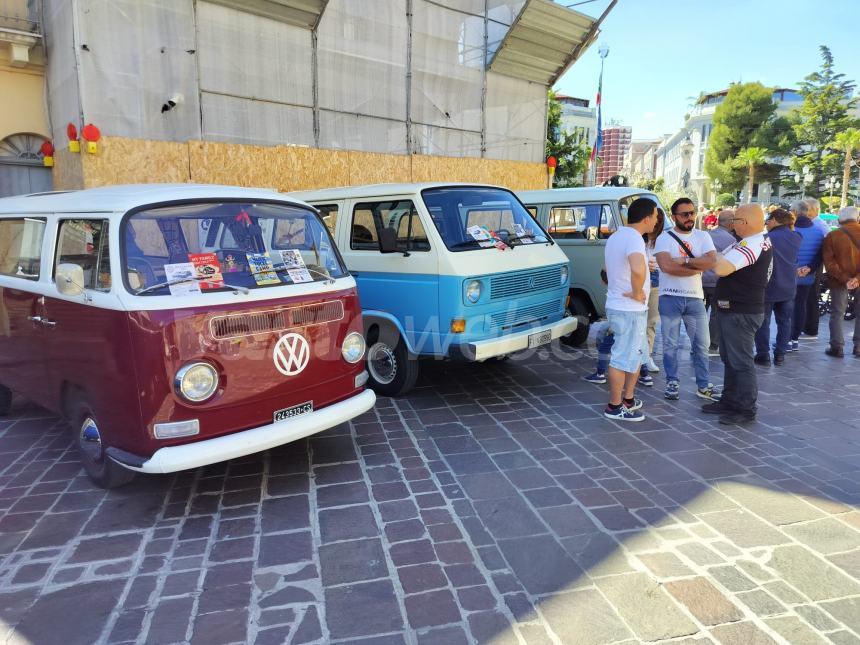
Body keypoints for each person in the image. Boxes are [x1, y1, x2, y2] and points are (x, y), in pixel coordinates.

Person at [702, 203, 773, 425]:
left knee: (740, 361)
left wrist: (713, 258)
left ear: (748, 222)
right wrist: (718, 258)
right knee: (730, 358)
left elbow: (722, 267)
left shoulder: (752, 244)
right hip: (734, 309)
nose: (732, 224)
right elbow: (722, 260)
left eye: (736, 220)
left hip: (740, 311)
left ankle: (745, 408)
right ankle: (730, 400)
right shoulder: (751, 241)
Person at [654, 198, 718, 401]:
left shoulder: (703, 235)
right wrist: (696, 267)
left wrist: (687, 261)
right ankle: (672, 381)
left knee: (701, 344)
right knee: (670, 344)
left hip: (695, 298)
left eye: (692, 213)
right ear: (674, 217)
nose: (690, 217)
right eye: (684, 214)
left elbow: (712, 262)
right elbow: (667, 267)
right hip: (670, 296)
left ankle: (703, 384)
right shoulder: (664, 238)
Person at [602, 197, 658, 421]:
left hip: (622, 306)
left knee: (634, 354)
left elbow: (607, 269)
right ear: (646, 218)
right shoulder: (634, 239)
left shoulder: (617, 236)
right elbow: (636, 269)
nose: (656, 221)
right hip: (629, 308)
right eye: (655, 217)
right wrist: (636, 292)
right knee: (622, 356)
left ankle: (628, 399)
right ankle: (614, 407)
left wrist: (644, 264)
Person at [754, 209, 800, 366]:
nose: (766, 223)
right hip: (788, 286)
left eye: (768, 220)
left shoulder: (767, 238)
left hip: (769, 286)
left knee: (763, 322)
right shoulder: (796, 237)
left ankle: (763, 354)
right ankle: (780, 354)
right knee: (785, 322)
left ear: (775, 220)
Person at [821, 206, 860, 358]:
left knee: (837, 313)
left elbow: (829, 263)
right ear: (857, 218)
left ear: (839, 220)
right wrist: (856, 279)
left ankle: (837, 347)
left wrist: (846, 279)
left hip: (839, 281)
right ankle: (858, 347)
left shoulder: (833, 235)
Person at [789, 201, 825, 352]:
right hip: (808, 275)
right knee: (800, 306)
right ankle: (795, 339)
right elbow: (820, 255)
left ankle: (787, 339)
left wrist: (795, 268)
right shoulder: (818, 231)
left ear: (795, 213)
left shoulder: (791, 230)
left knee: (787, 308)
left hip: (790, 275)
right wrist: (808, 268)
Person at [702, 209, 737, 356]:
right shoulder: (732, 241)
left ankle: (698, 344)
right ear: (730, 223)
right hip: (718, 282)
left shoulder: (706, 235)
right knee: (716, 314)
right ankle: (712, 345)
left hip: (702, 280)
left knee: (700, 314)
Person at [801, 197, 828, 338]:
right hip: (810, 262)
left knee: (812, 295)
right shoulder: (814, 224)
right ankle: (806, 325)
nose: (804, 212)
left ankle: (811, 327)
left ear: (814, 210)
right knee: (806, 295)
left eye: (807, 209)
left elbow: (823, 248)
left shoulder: (820, 226)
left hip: (815, 264)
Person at [643, 208, 665, 375]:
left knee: (651, 321)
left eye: (658, 220)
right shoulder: (637, 238)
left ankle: (647, 356)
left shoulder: (663, 240)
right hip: (639, 278)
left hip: (656, 279)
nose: (655, 223)